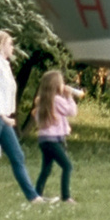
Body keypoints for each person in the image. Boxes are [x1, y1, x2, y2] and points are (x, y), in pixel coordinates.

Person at [0, 31, 39, 204]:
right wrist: (3, 116)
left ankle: (33, 197)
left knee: (18, 156)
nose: (12, 48)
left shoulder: (3, 64)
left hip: (2, 118)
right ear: (1, 44)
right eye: (10, 44)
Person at [31, 67, 79, 204]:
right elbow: (72, 111)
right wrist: (69, 96)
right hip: (53, 140)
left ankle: (36, 195)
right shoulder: (57, 100)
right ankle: (66, 196)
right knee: (67, 166)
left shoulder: (42, 101)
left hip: (43, 140)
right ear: (56, 85)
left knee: (46, 168)